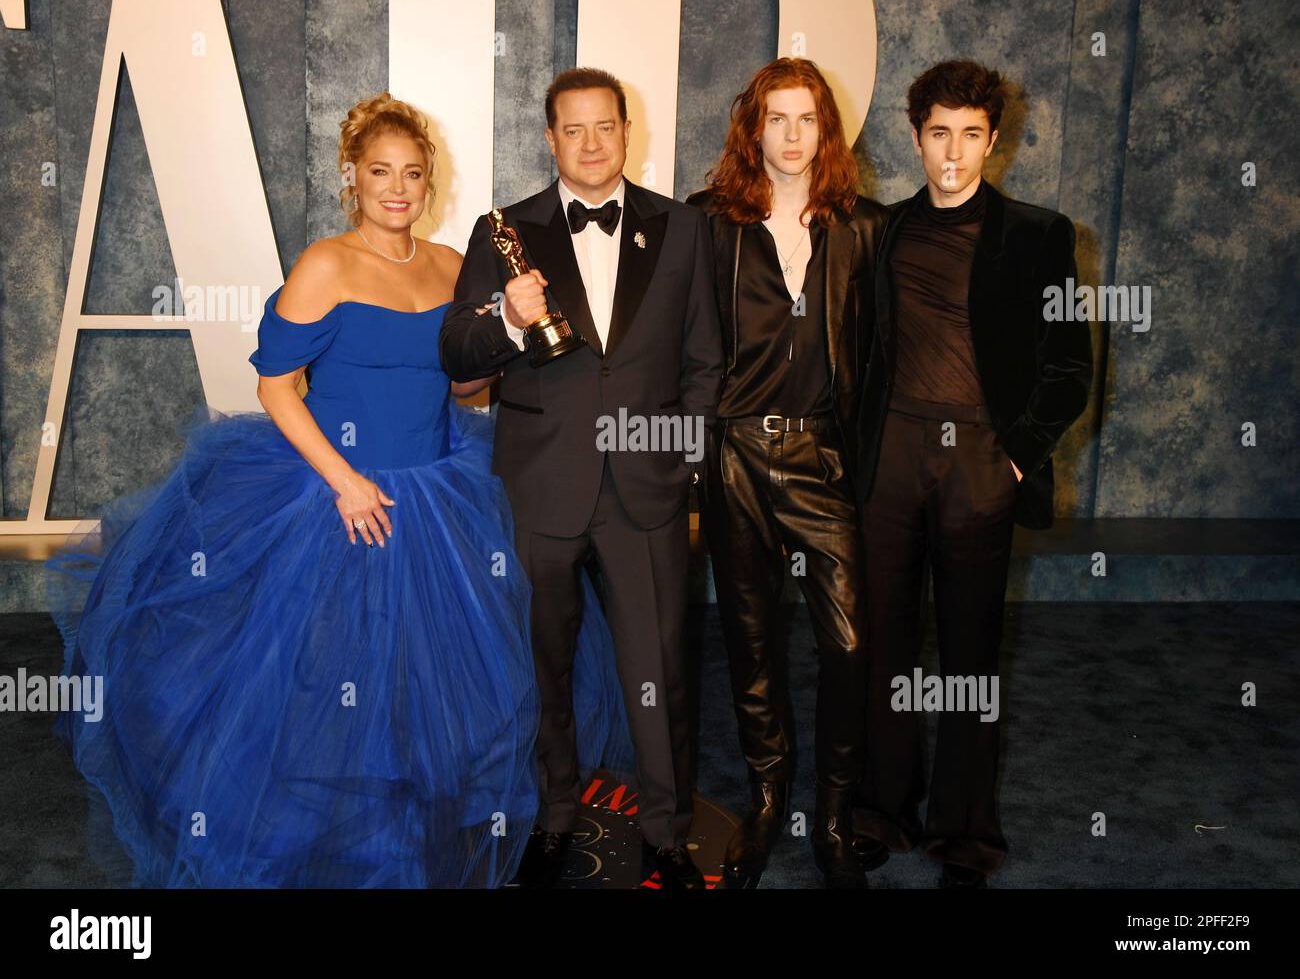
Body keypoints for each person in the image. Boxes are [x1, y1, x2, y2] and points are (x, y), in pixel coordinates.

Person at [46, 92, 631, 889]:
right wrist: (347, 480)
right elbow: (277, 387)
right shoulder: (325, 264)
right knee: (326, 683)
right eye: (380, 171)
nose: (398, 188)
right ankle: (336, 837)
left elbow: (464, 391)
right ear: (351, 176)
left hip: (440, 487)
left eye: (413, 175)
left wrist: (507, 337)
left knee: (447, 677)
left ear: (430, 185)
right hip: (335, 493)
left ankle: (426, 816)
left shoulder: (451, 266)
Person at [441, 67, 723, 889]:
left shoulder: (681, 228)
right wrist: (506, 318)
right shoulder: (505, 231)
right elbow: (456, 353)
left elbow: (705, 360)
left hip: (648, 487)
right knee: (545, 661)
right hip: (541, 485)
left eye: (606, 127)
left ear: (626, 131)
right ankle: (555, 814)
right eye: (574, 129)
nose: (591, 143)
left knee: (659, 664)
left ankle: (668, 832)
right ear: (548, 136)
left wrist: (681, 454)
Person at [853, 60, 1093, 888]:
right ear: (915, 138)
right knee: (882, 647)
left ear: (995, 141)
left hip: (979, 469)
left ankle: (964, 833)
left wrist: (1015, 454)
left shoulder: (1038, 233)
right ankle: (882, 810)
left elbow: (1069, 369)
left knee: (968, 656)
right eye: (937, 134)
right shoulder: (879, 231)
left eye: (971, 135)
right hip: (889, 465)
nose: (953, 153)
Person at [686, 58, 889, 889]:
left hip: (822, 456)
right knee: (751, 639)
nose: (793, 136)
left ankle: (834, 812)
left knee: (850, 642)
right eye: (778, 118)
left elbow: (884, 356)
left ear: (826, 131)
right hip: (734, 451)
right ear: (753, 127)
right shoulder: (709, 222)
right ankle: (770, 798)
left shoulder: (865, 226)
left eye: (808, 119)